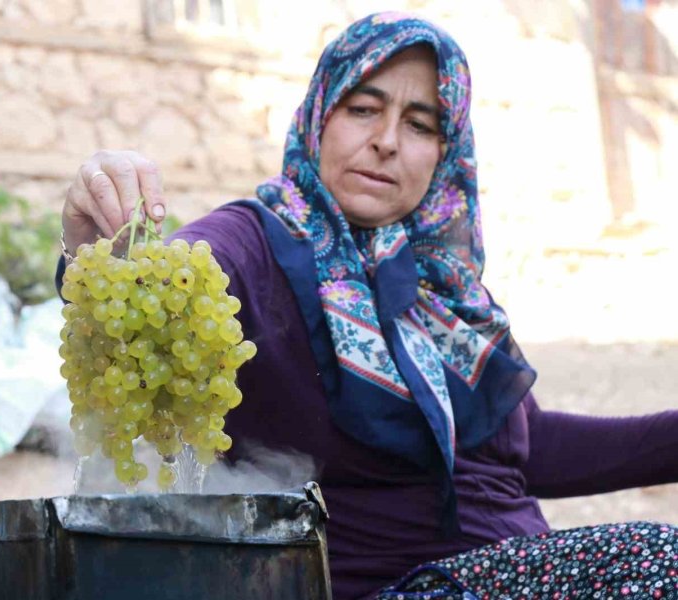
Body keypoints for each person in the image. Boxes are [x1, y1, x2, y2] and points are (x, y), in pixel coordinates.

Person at [56, 12, 678, 599]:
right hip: (384, 586)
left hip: (519, 570)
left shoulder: (444, 282)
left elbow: (523, 449)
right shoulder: (257, 241)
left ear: (447, 152)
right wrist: (101, 250)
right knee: (654, 558)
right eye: (363, 109)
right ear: (320, 117)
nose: (386, 142)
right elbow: (170, 286)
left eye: (420, 124)